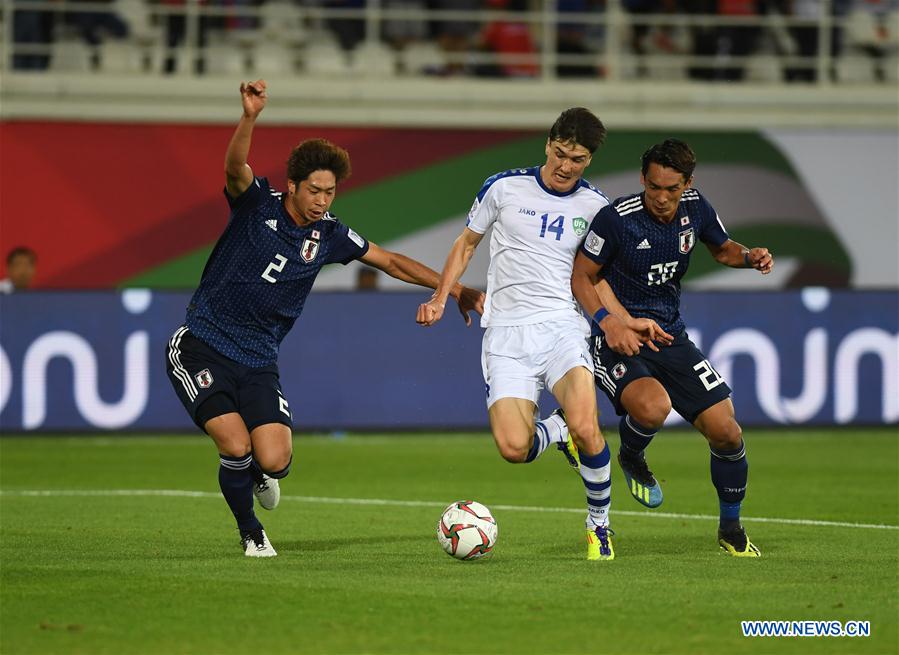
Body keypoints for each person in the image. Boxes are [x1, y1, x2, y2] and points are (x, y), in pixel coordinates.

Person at [165, 80, 484, 558]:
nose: (322, 200)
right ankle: (252, 533)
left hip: (258, 358)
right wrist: (249, 117)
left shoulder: (329, 234)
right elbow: (234, 168)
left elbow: (391, 260)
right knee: (234, 444)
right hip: (202, 343)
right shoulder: (256, 205)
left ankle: (256, 475)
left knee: (274, 459)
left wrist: (453, 288)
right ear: (292, 185)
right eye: (314, 190)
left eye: (330, 192)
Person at [417, 108, 665, 560]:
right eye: (560, 153)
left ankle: (599, 526)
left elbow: (596, 277)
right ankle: (557, 431)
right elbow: (466, 243)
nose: (566, 165)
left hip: (561, 329)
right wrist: (441, 296)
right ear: (548, 143)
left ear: (590, 160)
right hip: (506, 334)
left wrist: (621, 319)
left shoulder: (596, 207)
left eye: (578, 158)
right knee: (514, 447)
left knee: (590, 427)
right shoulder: (504, 187)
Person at [571, 138, 774, 557]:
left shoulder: (696, 207)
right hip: (619, 336)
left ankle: (731, 529)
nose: (662, 198)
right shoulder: (616, 220)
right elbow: (581, 276)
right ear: (643, 179)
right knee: (652, 407)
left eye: (672, 189)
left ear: (687, 184)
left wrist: (749, 255)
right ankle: (631, 456)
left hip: (669, 335)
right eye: (654, 187)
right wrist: (609, 325)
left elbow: (723, 249)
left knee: (727, 431)